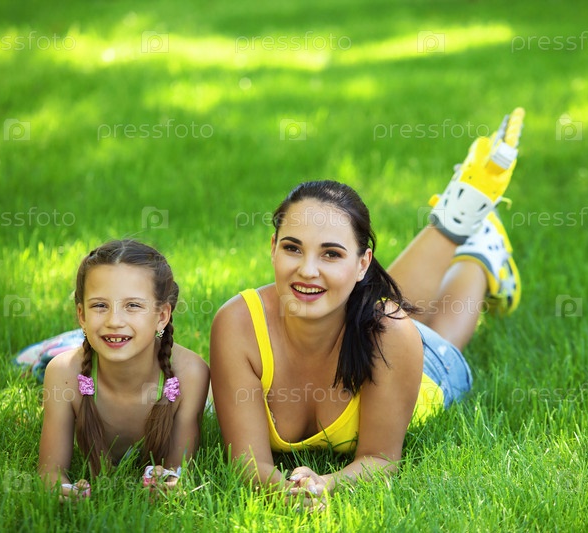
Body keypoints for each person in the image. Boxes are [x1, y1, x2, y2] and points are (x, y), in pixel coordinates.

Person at [210, 109, 525, 510]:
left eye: (331, 253)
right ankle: (464, 217)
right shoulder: (237, 324)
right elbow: (248, 464)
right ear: (272, 247)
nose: (307, 270)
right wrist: (286, 492)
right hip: (366, 318)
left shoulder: (393, 333)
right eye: (292, 248)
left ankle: (480, 251)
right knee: (373, 308)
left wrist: (325, 484)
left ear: (364, 263)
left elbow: (381, 459)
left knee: (433, 332)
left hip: (425, 366)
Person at [37, 239, 210, 500]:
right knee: (43, 360)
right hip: (76, 356)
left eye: (133, 305)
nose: (114, 321)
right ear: (81, 315)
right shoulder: (63, 375)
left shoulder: (191, 374)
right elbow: (49, 472)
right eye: (100, 305)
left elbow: (179, 471)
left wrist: (168, 485)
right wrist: (61, 490)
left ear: (162, 316)